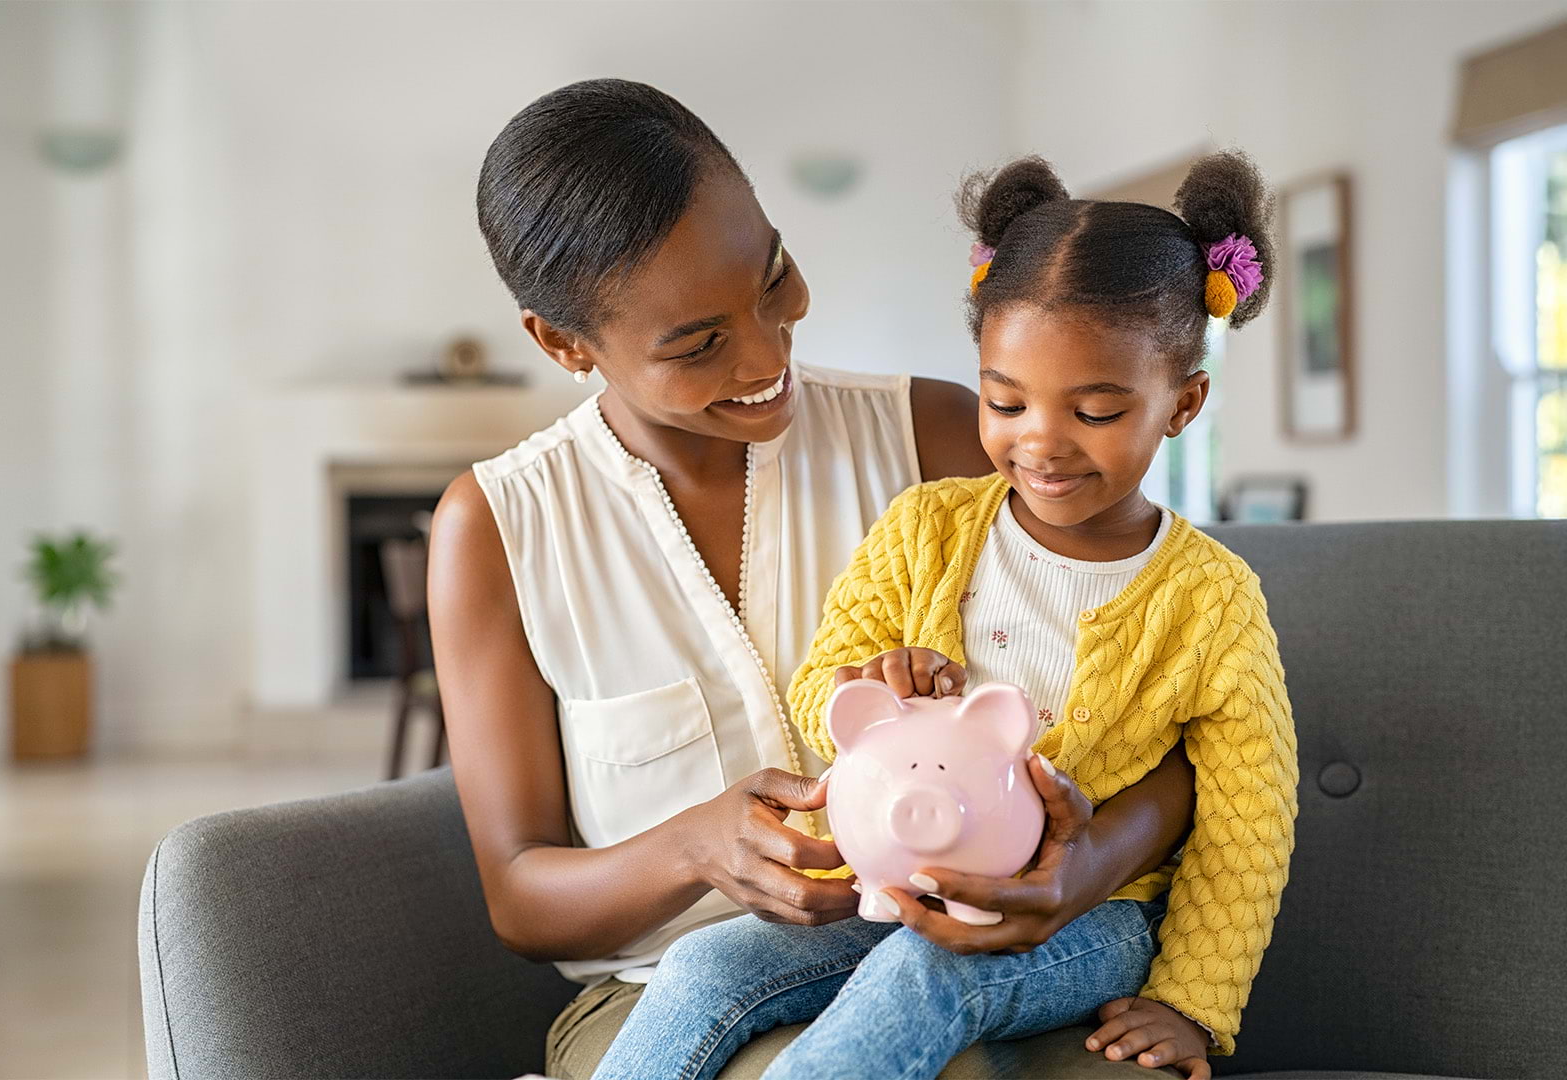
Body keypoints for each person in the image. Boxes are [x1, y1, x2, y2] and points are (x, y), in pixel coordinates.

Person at [428, 78, 1199, 1079]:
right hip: (663, 1002)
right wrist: (694, 848)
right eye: (700, 342)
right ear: (563, 343)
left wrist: (1084, 868)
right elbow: (521, 897)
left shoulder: (935, 439)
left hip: (963, 952)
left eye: (774, 276)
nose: (766, 351)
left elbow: (1180, 710)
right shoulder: (499, 527)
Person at [593, 151, 1298, 1080]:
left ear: (1183, 404)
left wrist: (1191, 1007)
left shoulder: (1210, 599)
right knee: (709, 963)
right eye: (1005, 402)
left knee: (924, 978)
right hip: (893, 884)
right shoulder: (927, 527)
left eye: (1094, 411)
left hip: (1097, 916)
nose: (1039, 442)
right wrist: (871, 684)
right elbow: (822, 687)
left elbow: (1250, 822)